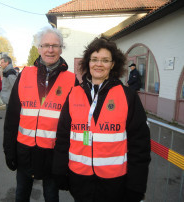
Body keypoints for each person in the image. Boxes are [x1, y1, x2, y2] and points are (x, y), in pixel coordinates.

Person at [52, 37, 151, 202]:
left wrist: (136, 185)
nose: (99, 64)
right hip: (80, 182)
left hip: (115, 184)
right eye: (95, 59)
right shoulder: (73, 94)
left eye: (105, 60)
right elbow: (63, 137)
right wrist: (60, 171)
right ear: (88, 62)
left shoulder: (128, 97)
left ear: (113, 64)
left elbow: (140, 146)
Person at [3, 26, 77, 202]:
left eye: (55, 45)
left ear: (61, 48)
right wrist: (9, 150)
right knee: (21, 194)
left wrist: (70, 158)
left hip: (53, 154)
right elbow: (12, 117)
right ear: (39, 49)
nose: (50, 50)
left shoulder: (71, 80)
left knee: (51, 196)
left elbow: (76, 124)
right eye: (45, 45)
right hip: (24, 152)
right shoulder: (25, 75)